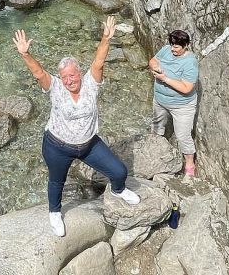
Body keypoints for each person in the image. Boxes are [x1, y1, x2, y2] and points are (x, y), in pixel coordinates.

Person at [13, 16, 140, 237]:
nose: (69, 80)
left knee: (119, 172)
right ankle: (55, 212)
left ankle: (118, 190)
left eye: (72, 75)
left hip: (89, 145)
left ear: (79, 73)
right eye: (65, 77)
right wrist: (25, 54)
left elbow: (98, 62)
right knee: (57, 181)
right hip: (57, 146)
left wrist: (106, 38)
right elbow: (39, 73)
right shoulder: (55, 88)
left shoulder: (91, 83)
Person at [149, 29, 199, 177]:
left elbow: (186, 88)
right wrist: (155, 67)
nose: (173, 49)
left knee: (183, 135)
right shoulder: (166, 50)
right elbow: (152, 60)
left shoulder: (190, 63)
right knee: (157, 125)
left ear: (186, 46)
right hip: (160, 100)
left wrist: (165, 79)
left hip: (182, 105)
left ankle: (189, 164)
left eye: (177, 46)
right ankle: (156, 149)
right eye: (172, 45)